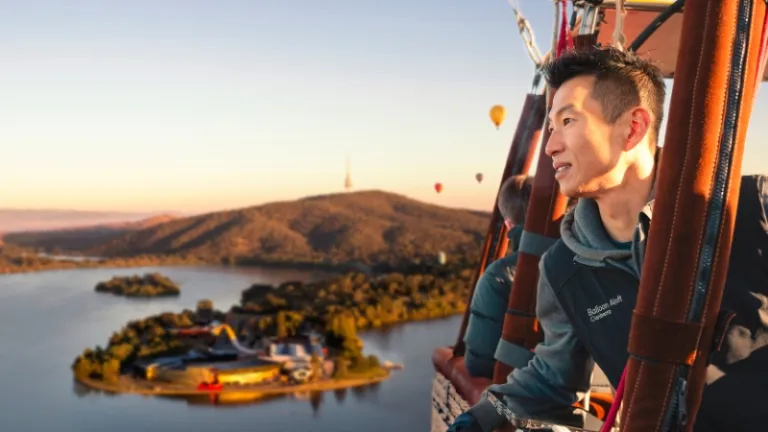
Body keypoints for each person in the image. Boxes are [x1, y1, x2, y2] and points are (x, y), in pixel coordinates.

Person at [448, 46, 768, 432]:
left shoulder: (751, 208)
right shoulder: (563, 267)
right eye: (551, 127)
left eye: (568, 121)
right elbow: (553, 376)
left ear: (632, 128)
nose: (550, 146)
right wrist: (480, 418)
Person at [464, 174, 533, 379]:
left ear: (508, 225)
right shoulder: (583, 260)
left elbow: (479, 364)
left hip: (530, 390)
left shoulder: (498, 277)